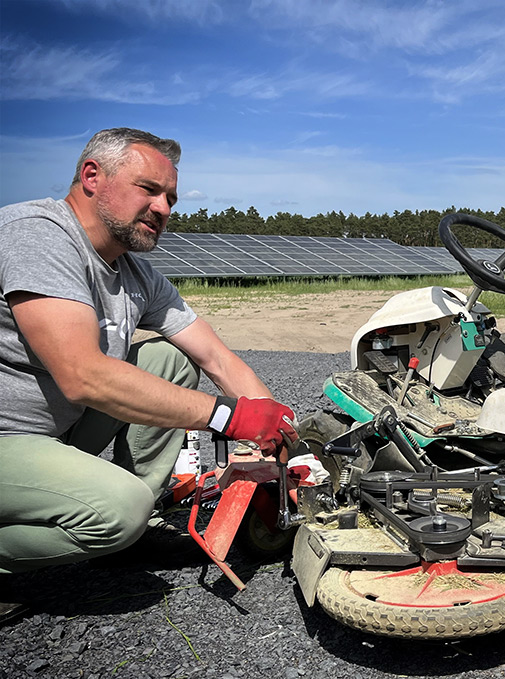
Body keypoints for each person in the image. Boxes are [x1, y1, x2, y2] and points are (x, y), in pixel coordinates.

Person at [0, 128, 299, 620]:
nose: (164, 208)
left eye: (171, 197)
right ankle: (113, 523)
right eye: (149, 189)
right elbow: (83, 376)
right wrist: (229, 418)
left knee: (171, 359)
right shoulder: (37, 234)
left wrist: (285, 446)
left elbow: (216, 359)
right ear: (92, 177)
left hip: (48, 431)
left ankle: (128, 532)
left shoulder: (134, 272)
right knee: (120, 512)